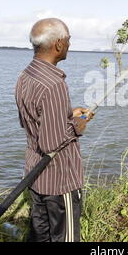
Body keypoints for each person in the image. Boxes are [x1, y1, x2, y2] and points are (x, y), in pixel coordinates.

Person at [15, 18, 93, 242]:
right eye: (68, 40)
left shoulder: (25, 76)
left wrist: (68, 114)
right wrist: (79, 125)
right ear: (58, 44)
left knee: (42, 236)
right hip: (60, 183)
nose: (69, 44)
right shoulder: (55, 84)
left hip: (35, 176)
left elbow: (31, 121)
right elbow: (52, 143)